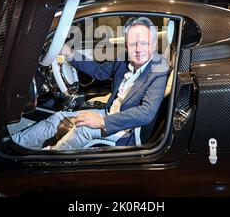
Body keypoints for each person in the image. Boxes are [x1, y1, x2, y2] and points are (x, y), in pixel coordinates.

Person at [12, 17, 170, 150]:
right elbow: (98, 72)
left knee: (83, 129)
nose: (138, 49)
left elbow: (146, 112)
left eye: (144, 43)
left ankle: (50, 157)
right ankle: (14, 143)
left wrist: (102, 122)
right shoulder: (123, 57)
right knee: (59, 118)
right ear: (127, 44)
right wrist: (70, 53)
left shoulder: (159, 67)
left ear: (154, 44)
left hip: (125, 128)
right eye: (133, 43)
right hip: (109, 112)